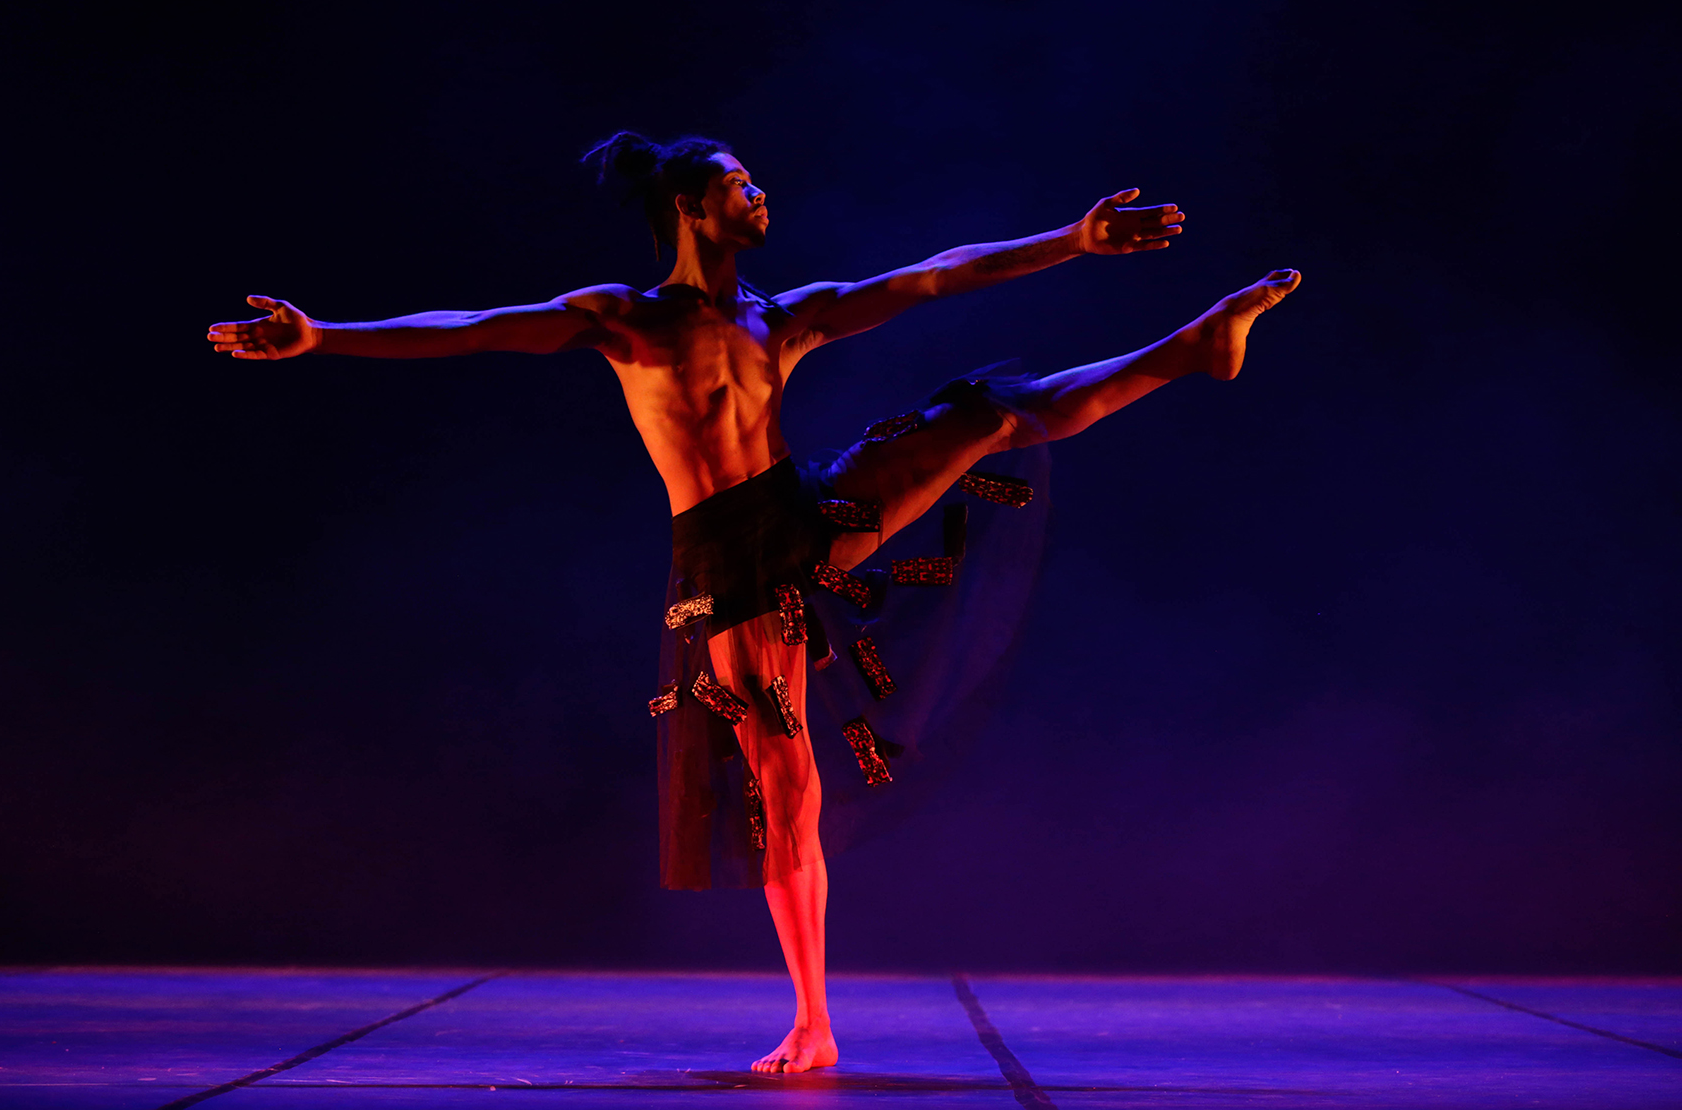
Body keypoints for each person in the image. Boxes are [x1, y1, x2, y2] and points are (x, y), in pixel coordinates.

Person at [208, 132, 1299, 1074]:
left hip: (805, 508)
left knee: (983, 417)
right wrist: (324, 336)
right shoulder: (628, 321)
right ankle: (814, 1021)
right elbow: (474, 326)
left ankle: (1190, 349)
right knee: (786, 783)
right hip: (726, 564)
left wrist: (1071, 239)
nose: (762, 193)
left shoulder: (784, 317)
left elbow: (929, 278)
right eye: (741, 183)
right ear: (692, 206)